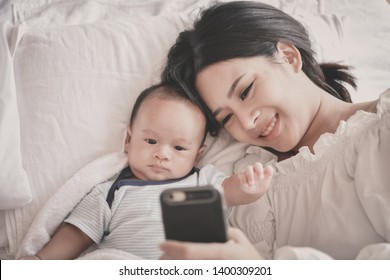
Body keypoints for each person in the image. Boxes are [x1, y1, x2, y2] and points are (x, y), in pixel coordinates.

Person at [160, 1, 390, 259]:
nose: (247, 123)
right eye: (227, 118)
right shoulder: (249, 184)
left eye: (246, 91)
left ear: (289, 57)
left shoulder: (381, 130)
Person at [20, 83, 273, 260]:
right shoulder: (111, 191)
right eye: (151, 141)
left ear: (197, 153)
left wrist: (248, 188)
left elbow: (230, 191)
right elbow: (77, 233)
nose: (162, 153)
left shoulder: (202, 181)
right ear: (129, 140)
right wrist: (43, 260)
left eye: (178, 147)